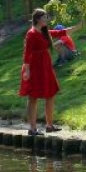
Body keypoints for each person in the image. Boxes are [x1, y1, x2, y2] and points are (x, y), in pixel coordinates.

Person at [20, 8, 60, 136]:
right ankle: (32, 129)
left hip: (45, 66)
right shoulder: (31, 33)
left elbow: (59, 33)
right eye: (44, 17)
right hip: (35, 67)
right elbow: (27, 53)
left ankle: (49, 125)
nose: (47, 19)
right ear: (37, 19)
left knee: (51, 93)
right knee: (33, 97)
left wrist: (77, 26)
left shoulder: (44, 32)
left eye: (47, 17)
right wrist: (27, 70)